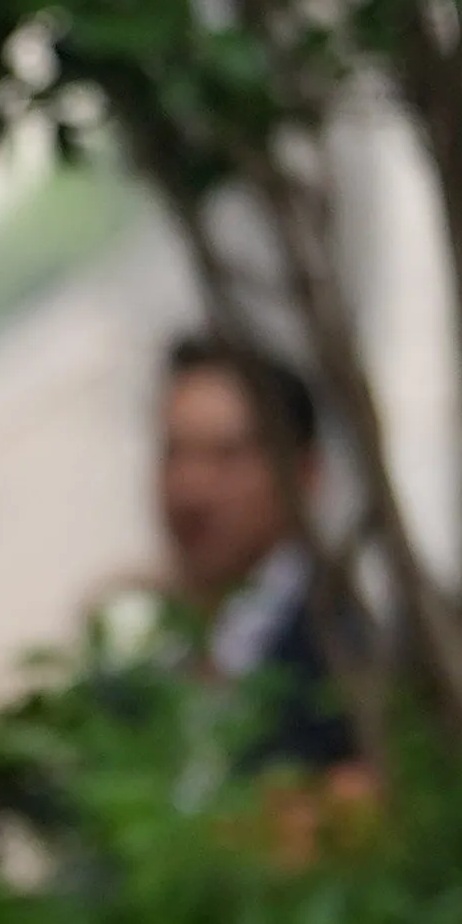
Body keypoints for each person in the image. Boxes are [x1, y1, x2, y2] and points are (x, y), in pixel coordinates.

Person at [150, 326, 366, 775]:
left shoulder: (344, 658)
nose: (190, 489)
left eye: (227, 455)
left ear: (305, 473)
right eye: (174, 454)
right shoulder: (157, 659)